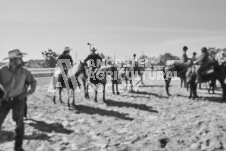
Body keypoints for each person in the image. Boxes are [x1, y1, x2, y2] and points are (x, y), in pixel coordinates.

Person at [0, 49, 37, 151]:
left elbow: (33, 82)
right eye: (19, 58)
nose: (21, 60)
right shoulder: (2, 70)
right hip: (4, 100)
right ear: (12, 60)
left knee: (19, 123)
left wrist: (27, 93)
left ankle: (18, 147)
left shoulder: (25, 72)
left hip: (19, 100)